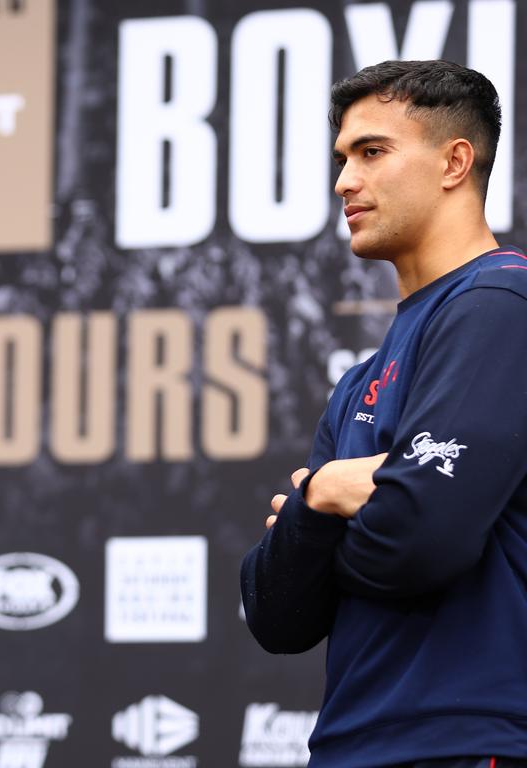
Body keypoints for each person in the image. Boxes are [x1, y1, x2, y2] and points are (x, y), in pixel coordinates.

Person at [241, 60, 527, 767]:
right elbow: (277, 612)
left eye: (372, 152)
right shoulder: (364, 376)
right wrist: (326, 492)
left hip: (465, 741)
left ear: (455, 162)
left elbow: (422, 538)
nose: (343, 181)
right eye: (342, 158)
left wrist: (333, 508)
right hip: (348, 745)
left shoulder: (501, 304)